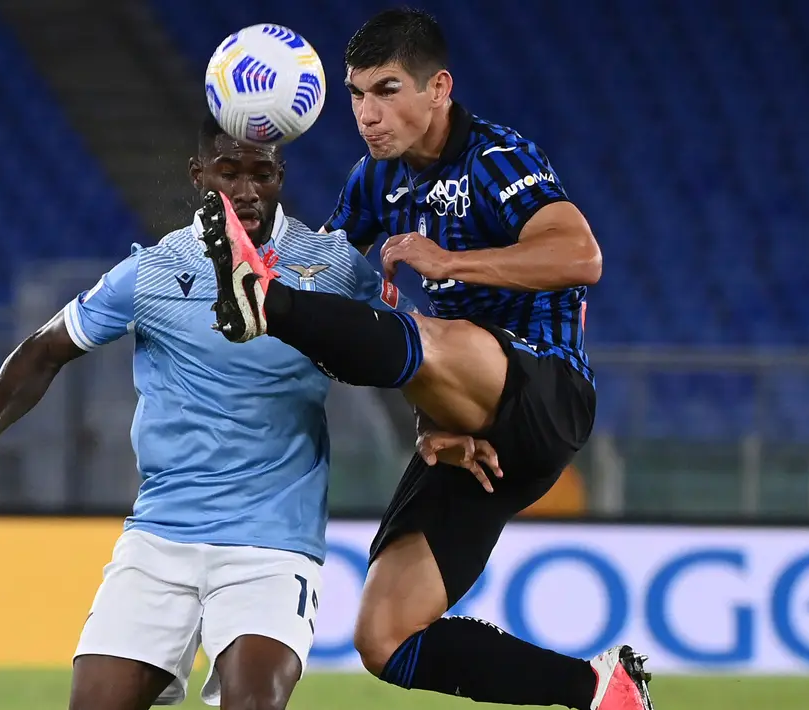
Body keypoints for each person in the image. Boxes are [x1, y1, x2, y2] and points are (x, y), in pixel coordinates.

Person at [201, 8, 654, 710]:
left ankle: (264, 301)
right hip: (469, 423)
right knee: (386, 638)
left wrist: (448, 261)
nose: (367, 114)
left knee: (410, 328)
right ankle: (600, 690)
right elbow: (328, 273)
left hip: (545, 390)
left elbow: (580, 255)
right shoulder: (373, 180)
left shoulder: (496, 158)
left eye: (385, 90)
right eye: (355, 94)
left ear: (437, 87)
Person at [0, 116, 415, 710]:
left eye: (261, 172)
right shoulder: (152, 271)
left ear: (280, 176)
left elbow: (413, 352)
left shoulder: (331, 266)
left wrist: (439, 425)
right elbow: (45, 347)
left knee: (255, 703)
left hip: (272, 544)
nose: (244, 189)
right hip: (160, 539)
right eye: (227, 172)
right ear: (199, 175)